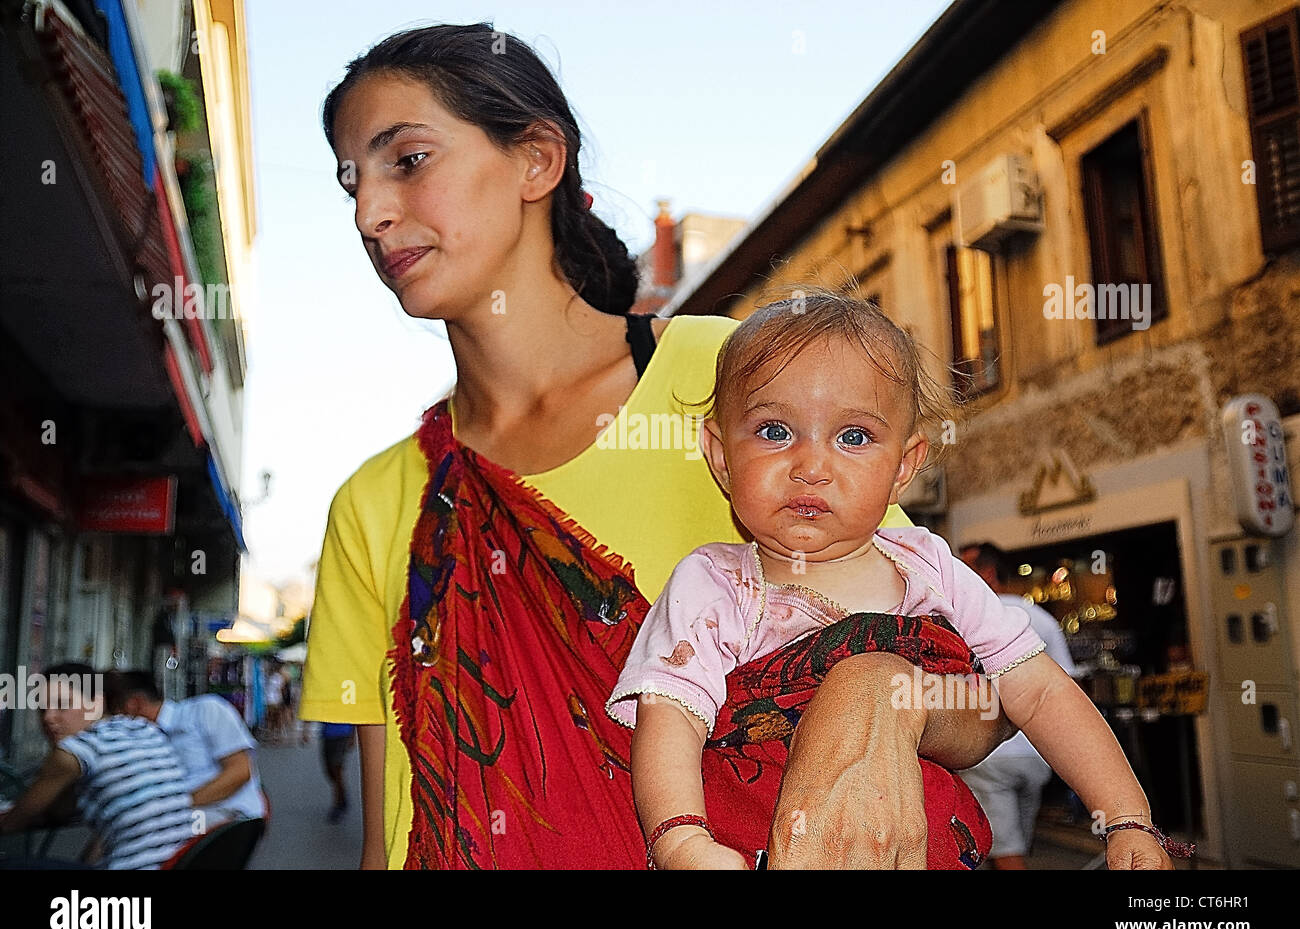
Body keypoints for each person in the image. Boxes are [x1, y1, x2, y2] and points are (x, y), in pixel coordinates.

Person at [302, 22, 1014, 870]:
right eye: (352, 180)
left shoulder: (733, 383)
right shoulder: (380, 502)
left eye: (407, 160)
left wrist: (876, 695)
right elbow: (395, 832)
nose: (370, 212)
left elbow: (986, 695)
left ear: (537, 159)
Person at [609, 292, 1187, 870]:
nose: (811, 466)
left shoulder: (930, 568)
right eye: (774, 431)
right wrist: (680, 840)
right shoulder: (715, 586)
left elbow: (1039, 691)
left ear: (904, 465)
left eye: (853, 437)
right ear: (720, 455)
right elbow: (671, 714)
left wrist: (1126, 818)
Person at [957, 541, 1084, 869]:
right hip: (1037, 754)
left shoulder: (970, 619)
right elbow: (1068, 688)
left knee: (1004, 853)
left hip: (989, 755)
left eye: (964, 568)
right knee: (1017, 845)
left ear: (987, 573)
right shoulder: (1041, 618)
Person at [0, 663, 194, 870]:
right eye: (42, 708)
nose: (48, 717)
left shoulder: (76, 752)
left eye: (62, 705)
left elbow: (12, 822)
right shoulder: (144, 728)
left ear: (96, 703)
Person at [106, 670, 267, 828]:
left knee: (143, 831)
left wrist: (179, 805)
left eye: (115, 714)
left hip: (225, 814)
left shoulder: (205, 710)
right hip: (187, 816)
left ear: (133, 704)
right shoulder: (141, 738)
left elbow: (240, 771)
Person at [318, 723, 356, 823]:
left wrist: (353, 736)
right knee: (329, 770)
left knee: (336, 768)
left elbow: (353, 714)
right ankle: (343, 797)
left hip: (342, 734)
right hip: (327, 734)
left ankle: (337, 804)